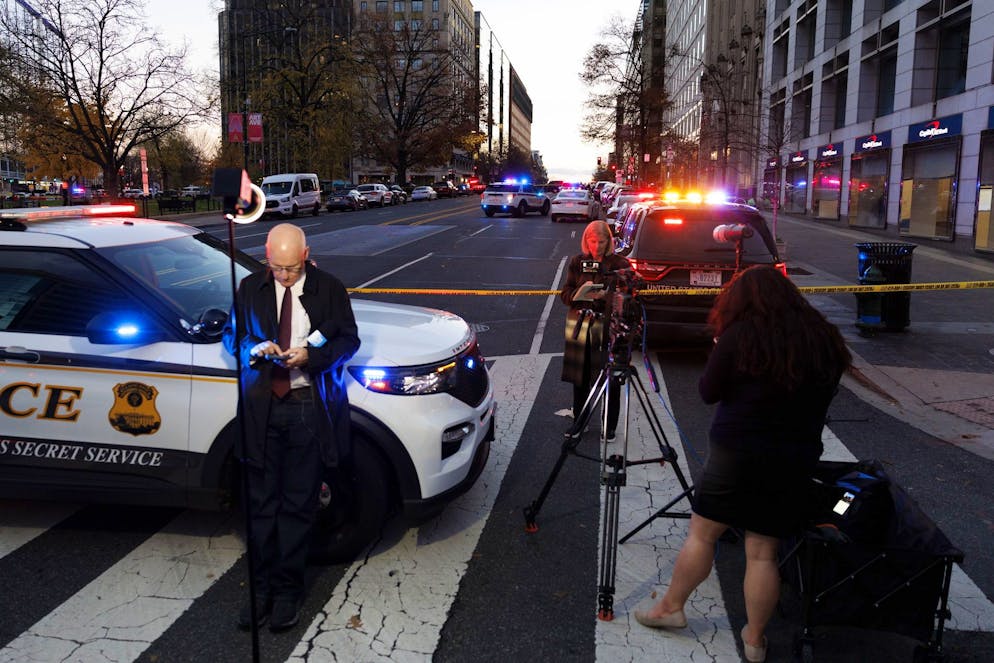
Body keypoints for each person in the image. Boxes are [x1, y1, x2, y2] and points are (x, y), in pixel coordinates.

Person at [632, 265, 851, 663]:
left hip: (737, 453)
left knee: (703, 535)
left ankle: (671, 607)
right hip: (794, 458)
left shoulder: (740, 336)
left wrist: (720, 349)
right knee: (763, 552)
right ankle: (754, 639)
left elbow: (708, 391)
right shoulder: (823, 338)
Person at [223, 223, 360, 632]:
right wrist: (254, 348)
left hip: (307, 408)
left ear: (306, 255)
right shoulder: (250, 288)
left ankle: (287, 592)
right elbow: (232, 336)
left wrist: (310, 358)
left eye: (291, 268)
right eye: (276, 267)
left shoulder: (329, 288)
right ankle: (260, 589)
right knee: (260, 505)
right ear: (267, 257)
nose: (283, 276)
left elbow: (348, 341)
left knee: (298, 506)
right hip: (262, 408)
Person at [560, 220, 629, 439]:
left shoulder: (619, 263)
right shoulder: (577, 262)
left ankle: (609, 426)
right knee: (579, 378)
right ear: (586, 241)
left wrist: (608, 296)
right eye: (592, 241)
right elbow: (565, 294)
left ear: (609, 241)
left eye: (601, 242)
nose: (597, 247)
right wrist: (579, 294)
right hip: (580, 324)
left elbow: (629, 294)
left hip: (607, 326)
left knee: (610, 377)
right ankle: (580, 421)